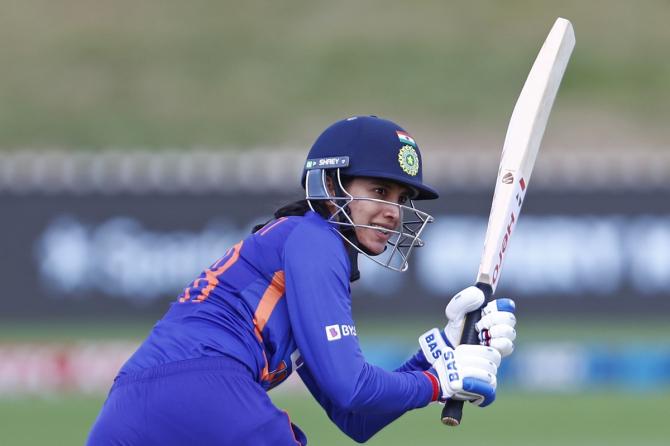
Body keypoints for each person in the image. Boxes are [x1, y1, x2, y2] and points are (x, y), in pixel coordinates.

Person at [87, 115, 517, 445]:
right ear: (331, 185)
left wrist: (440, 352)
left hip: (128, 411)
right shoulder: (316, 238)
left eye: (402, 199)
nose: (394, 211)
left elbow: (356, 419)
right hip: (205, 386)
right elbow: (353, 388)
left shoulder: (296, 247)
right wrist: (439, 381)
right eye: (380, 191)